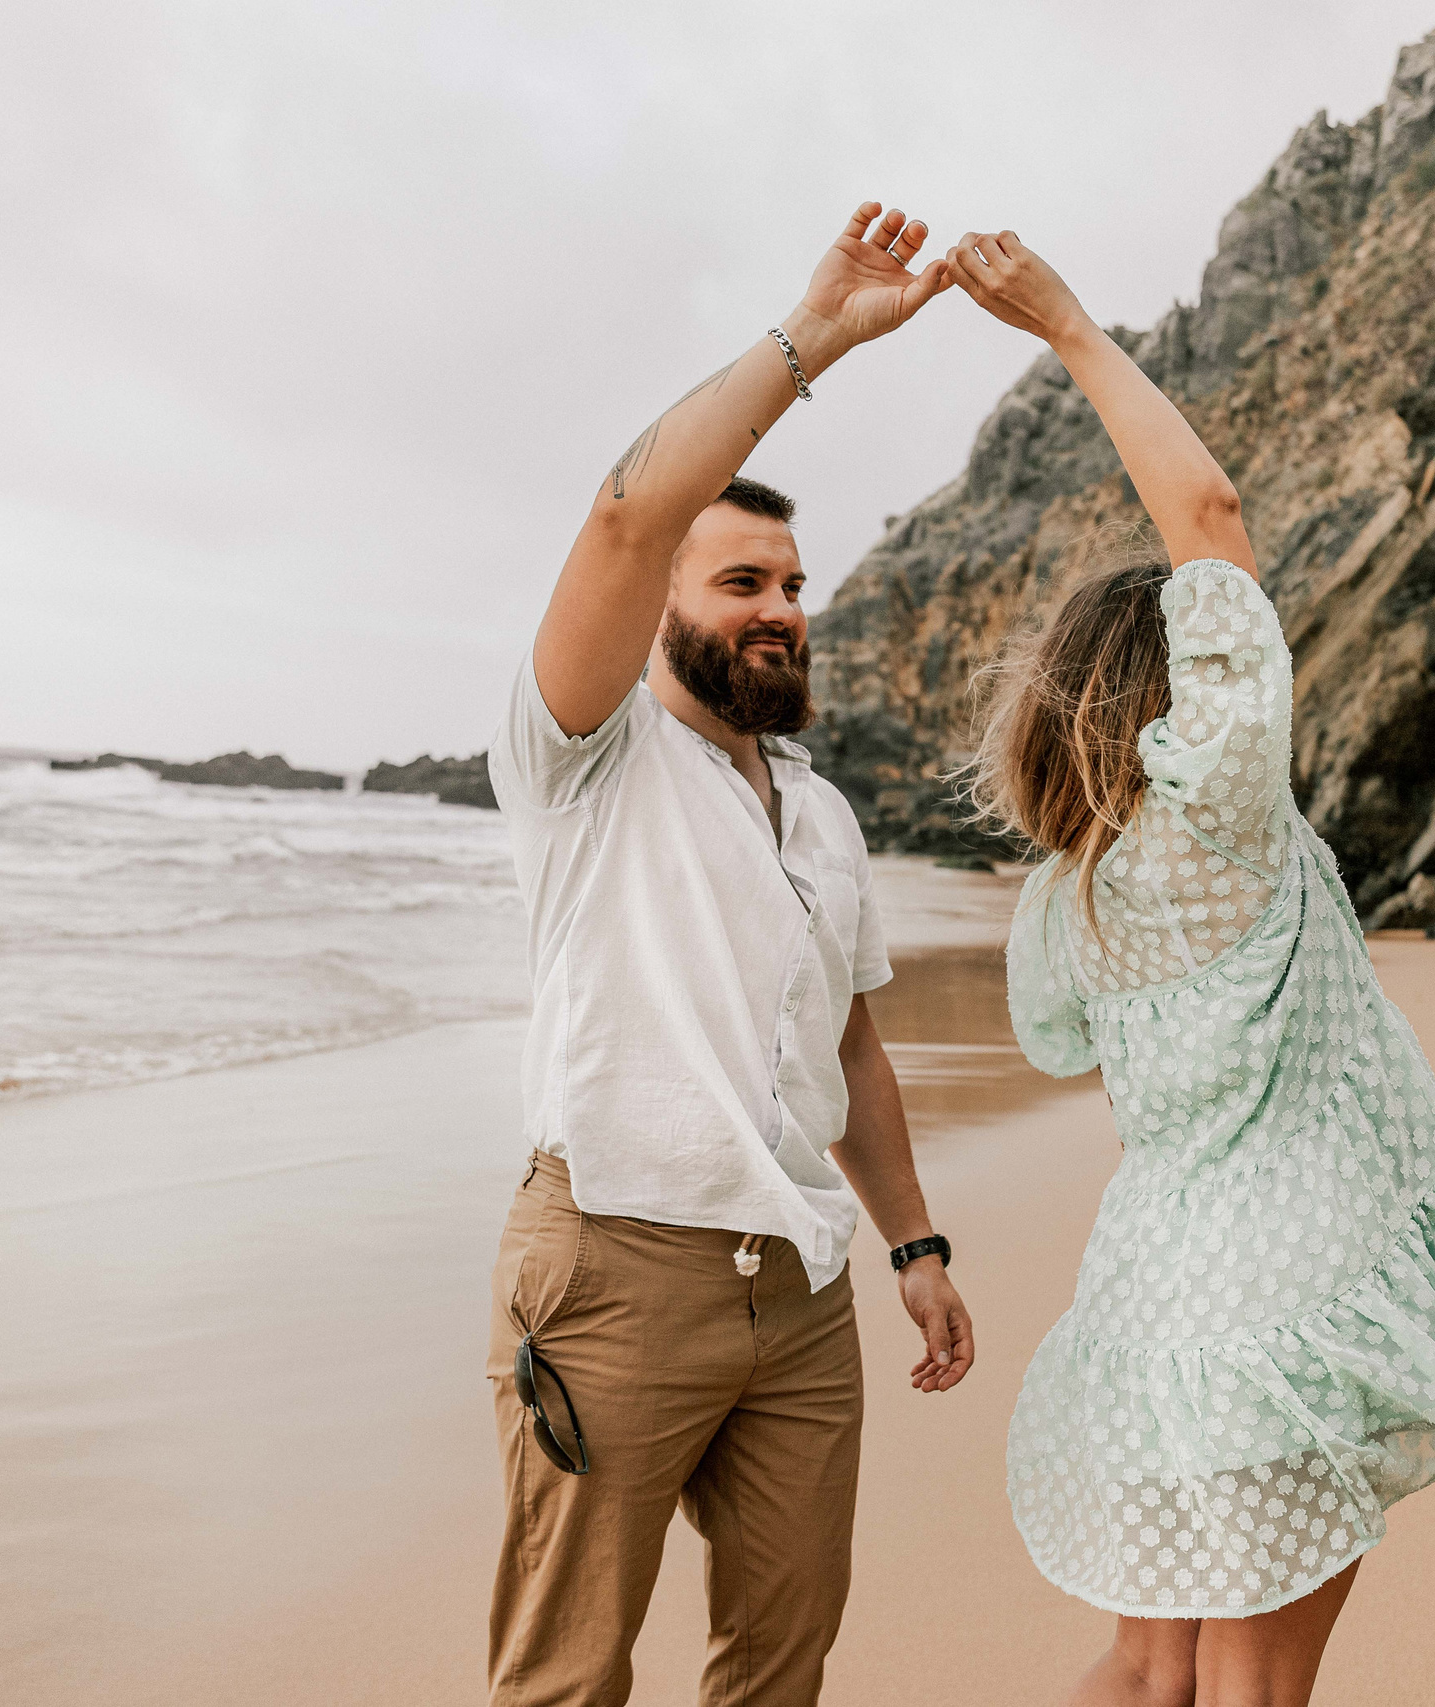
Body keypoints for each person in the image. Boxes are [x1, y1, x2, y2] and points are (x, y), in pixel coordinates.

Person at [947, 230, 1435, 1707]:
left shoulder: (1063, 903)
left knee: (1147, 1669)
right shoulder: (1222, 825)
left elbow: (1066, 1051)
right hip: (1284, 1300)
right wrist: (1067, 325)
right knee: (1252, 1687)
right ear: (1181, 700)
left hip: (1147, 1307)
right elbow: (1209, 513)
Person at [483, 201, 975, 1707]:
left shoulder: (821, 811)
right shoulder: (586, 757)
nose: (779, 612)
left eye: (793, 586)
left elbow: (851, 1044)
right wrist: (812, 339)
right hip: (615, 1264)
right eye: (741, 583)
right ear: (659, 610)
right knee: (567, 1679)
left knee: (783, 1662)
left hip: (803, 1286)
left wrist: (915, 1246)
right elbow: (626, 519)